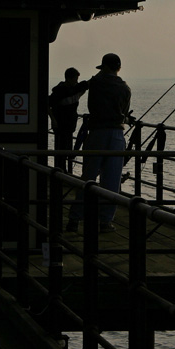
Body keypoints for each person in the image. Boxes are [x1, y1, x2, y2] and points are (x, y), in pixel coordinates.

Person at [66, 53, 132, 234]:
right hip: (117, 133)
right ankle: (105, 221)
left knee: (88, 177)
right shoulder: (125, 88)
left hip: (96, 133)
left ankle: (74, 219)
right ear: (118, 68)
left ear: (104, 67)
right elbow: (124, 112)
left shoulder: (95, 83)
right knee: (111, 180)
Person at [48, 67, 89, 172]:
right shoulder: (59, 92)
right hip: (60, 125)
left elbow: (84, 87)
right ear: (69, 78)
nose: (77, 82)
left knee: (67, 150)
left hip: (69, 125)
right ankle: (60, 172)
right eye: (75, 79)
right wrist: (53, 119)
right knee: (60, 151)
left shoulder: (73, 91)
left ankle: (65, 172)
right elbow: (48, 105)